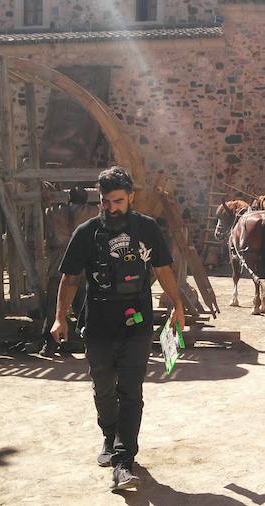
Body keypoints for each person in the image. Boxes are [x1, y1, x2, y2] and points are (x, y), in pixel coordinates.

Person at [50, 167, 186, 491]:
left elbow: (163, 268)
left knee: (131, 391)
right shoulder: (87, 232)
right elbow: (69, 278)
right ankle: (109, 437)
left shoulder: (147, 229)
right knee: (103, 389)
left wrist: (177, 305)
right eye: (105, 201)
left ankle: (124, 461)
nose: (111, 207)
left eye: (117, 201)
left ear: (131, 198)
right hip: (97, 324)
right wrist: (60, 316)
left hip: (137, 323)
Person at [35, 186, 99, 358]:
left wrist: (47, 199)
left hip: (59, 262)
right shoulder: (92, 212)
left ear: (69, 198)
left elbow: (47, 215)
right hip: (83, 262)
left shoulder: (54, 212)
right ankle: (89, 343)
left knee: (54, 306)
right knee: (84, 305)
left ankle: (49, 344)